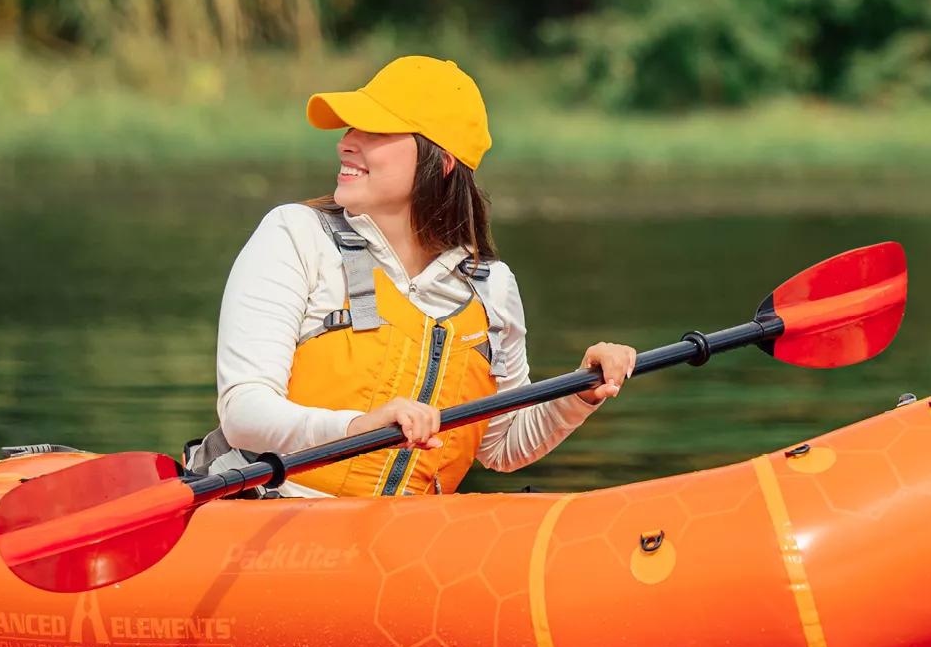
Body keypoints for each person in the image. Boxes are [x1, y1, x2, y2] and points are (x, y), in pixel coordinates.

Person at [186, 56, 636, 497]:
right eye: (349, 128)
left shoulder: (491, 288)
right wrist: (357, 427)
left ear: (440, 161)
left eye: (375, 131)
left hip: (400, 538)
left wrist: (581, 390)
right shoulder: (295, 235)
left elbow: (501, 447)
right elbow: (243, 412)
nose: (345, 143)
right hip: (272, 519)